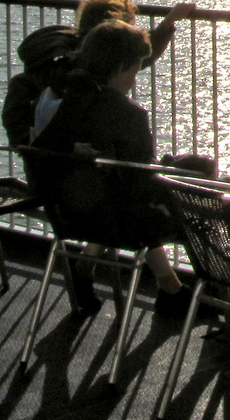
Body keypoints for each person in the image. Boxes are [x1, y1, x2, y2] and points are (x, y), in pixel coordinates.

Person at [29, 20, 195, 316]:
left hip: (69, 216)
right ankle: (229, 301)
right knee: (222, 198)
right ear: (120, 67)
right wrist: (175, 172)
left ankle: (170, 287)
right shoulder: (129, 115)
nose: (134, 80)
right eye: (134, 70)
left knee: (112, 195)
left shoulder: (53, 102)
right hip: (124, 224)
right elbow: (142, 187)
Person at [1, 0, 195, 146]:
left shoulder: (44, 79)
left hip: (44, 180)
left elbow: (21, 139)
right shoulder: (105, 104)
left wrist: (169, 23)